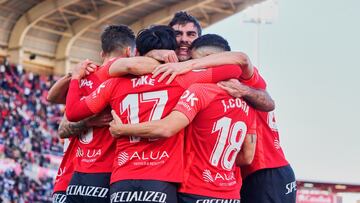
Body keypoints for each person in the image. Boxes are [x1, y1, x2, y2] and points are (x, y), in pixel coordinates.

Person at [65, 25, 243, 203]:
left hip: (122, 179)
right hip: (161, 180)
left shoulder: (114, 83)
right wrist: (186, 65)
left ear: (138, 51)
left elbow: (73, 112)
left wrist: (75, 78)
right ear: (172, 52)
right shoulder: (181, 79)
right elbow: (234, 69)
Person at [108, 34, 258, 203]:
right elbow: (247, 157)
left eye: (196, 61)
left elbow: (166, 128)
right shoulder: (248, 100)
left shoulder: (198, 91)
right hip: (229, 194)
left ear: (210, 60)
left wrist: (121, 129)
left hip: (194, 189)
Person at [218, 78, 297, 203]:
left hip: (263, 173)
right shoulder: (254, 88)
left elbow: (247, 157)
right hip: (279, 171)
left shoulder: (240, 86)